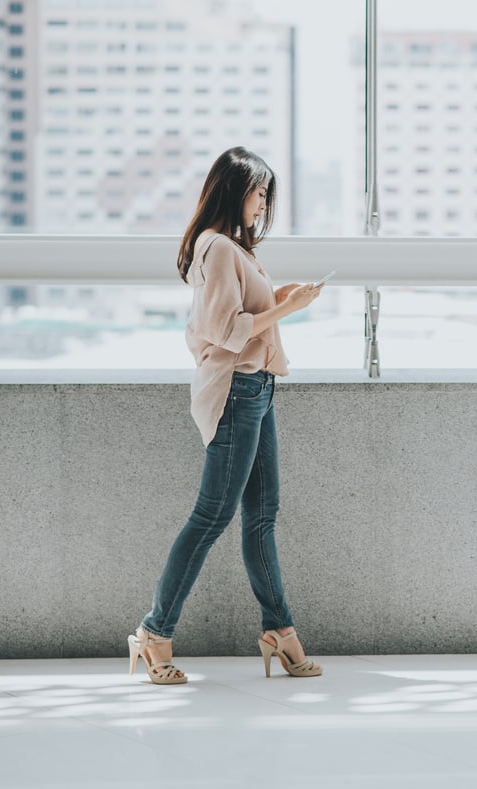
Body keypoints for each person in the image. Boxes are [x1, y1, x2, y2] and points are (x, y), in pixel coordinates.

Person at [128, 146, 324, 684]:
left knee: (262, 515)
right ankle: (154, 631)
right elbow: (225, 329)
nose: (262, 204)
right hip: (237, 390)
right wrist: (288, 308)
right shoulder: (216, 247)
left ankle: (279, 630)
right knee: (212, 515)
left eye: (266, 195)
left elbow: (243, 315)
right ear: (234, 190)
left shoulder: (233, 248)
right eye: (258, 193)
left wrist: (277, 298)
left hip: (257, 388)